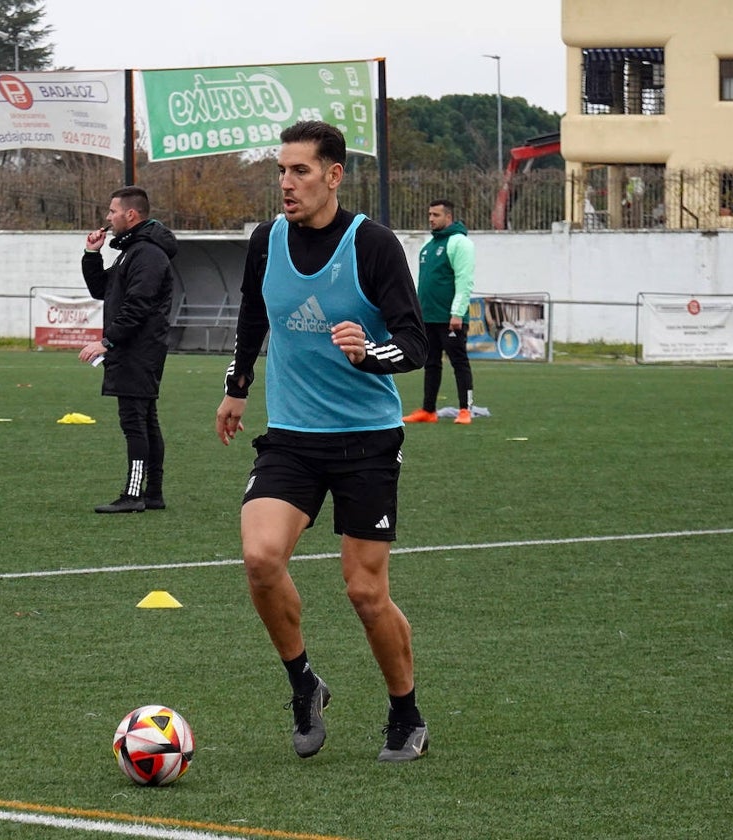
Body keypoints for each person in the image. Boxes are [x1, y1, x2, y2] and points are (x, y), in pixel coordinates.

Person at [215, 121, 430, 763]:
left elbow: (414, 344)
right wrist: (237, 386)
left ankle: (405, 712)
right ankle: (304, 683)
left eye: (300, 171)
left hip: (366, 440)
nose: (286, 183)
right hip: (290, 439)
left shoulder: (372, 245)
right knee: (260, 558)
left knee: (365, 593)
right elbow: (254, 317)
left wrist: (369, 355)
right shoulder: (266, 241)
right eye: (281, 170)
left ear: (334, 175)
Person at [79, 186, 177, 514]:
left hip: (139, 351)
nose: (108, 217)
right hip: (136, 350)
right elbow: (102, 290)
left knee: (135, 421)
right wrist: (93, 254)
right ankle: (154, 493)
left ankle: (134, 494)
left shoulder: (146, 254)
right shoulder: (131, 251)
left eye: (112, 211)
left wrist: (107, 341)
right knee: (146, 420)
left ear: (130, 215)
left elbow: (138, 305)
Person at [402, 199, 476, 425]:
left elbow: (464, 280)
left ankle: (465, 409)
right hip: (428, 317)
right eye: (429, 214)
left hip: (449, 318)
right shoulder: (429, 246)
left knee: (459, 362)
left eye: (435, 215)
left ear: (448, 217)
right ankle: (428, 410)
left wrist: (457, 313)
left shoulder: (459, 243)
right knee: (431, 363)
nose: (431, 218)